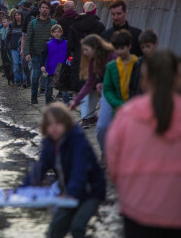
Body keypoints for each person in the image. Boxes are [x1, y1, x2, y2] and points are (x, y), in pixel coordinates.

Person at [106, 50, 181, 237]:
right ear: (178, 79)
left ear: (144, 79)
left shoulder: (126, 115)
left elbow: (113, 166)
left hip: (136, 208)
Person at [20, 103, 105, 238]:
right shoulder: (49, 144)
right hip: (68, 192)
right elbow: (40, 168)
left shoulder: (78, 141)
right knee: (54, 230)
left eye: (58, 124)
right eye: (50, 124)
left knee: (77, 227)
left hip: (91, 192)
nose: (54, 128)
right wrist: (24, 188)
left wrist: (70, 193)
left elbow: (79, 170)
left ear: (66, 123)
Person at [98, 30, 140, 151]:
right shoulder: (111, 66)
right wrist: (117, 103)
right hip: (117, 109)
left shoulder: (138, 63)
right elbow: (108, 89)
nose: (120, 52)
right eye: (117, 49)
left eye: (122, 48)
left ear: (129, 46)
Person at [69, 35, 116, 129]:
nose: (84, 53)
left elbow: (118, 78)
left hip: (120, 91)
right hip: (108, 91)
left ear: (95, 47)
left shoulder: (112, 56)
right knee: (102, 128)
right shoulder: (93, 61)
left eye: (86, 49)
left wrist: (105, 84)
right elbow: (89, 84)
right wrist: (76, 101)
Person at [67, 2, 105, 92]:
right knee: (93, 89)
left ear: (83, 10)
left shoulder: (74, 26)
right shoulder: (100, 26)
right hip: (94, 59)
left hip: (78, 58)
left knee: (80, 90)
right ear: (95, 11)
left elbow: (70, 45)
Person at [24, 0, 55, 104]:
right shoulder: (32, 24)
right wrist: (27, 53)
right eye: (43, 7)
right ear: (39, 9)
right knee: (35, 76)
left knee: (49, 76)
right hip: (37, 54)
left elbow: (58, 38)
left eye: (46, 8)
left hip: (50, 54)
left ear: (49, 10)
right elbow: (28, 39)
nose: (44, 9)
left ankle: (48, 97)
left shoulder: (53, 23)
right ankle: (33, 96)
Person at [41, 25, 70, 105]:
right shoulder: (48, 44)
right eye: (55, 32)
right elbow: (43, 56)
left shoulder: (66, 43)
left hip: (63, 68)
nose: (57, 34)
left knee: (64, 88)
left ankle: (67, 103)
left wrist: (70, 61)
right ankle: (48, 103)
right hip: (51, 68)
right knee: (49, 87)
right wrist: (42, 65)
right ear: (52, 33)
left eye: (58, 32)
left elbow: (70, 54)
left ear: (61, 33)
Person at [7, 10, 25, 86]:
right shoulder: (12, 25)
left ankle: (23, 80)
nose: (17, 17)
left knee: (23, 64)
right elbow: (8, 36)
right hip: (14, 48)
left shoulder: (24, 25)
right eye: (16, 15)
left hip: (23, 48)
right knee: (16, 64)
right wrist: (6, 46)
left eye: (19, 15)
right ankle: (17, 79)